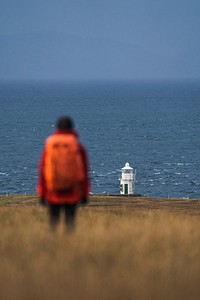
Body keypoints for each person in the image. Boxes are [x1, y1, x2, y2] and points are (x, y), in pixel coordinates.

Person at [37, 116, 90, 230]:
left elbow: (43, 170)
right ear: (72, 127)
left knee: (53, 223)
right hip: (72, 191)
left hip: (53, 191)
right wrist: (85, 193)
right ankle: (69, 245)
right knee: (70, 223)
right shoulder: (78, 146)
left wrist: (42, 193)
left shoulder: (50, 145)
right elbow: (84, 172)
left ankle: (53, 245)